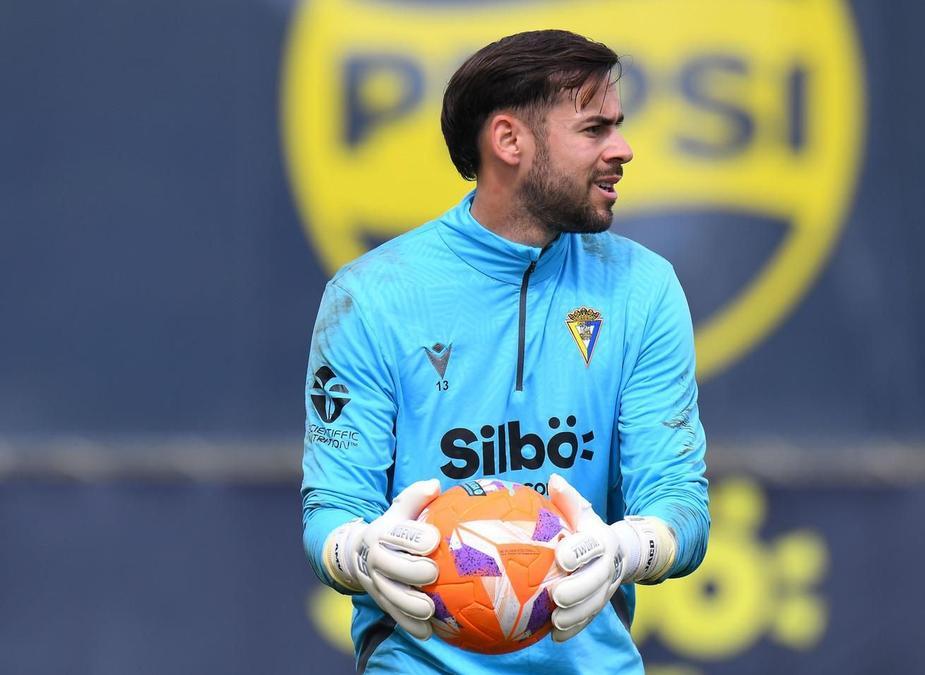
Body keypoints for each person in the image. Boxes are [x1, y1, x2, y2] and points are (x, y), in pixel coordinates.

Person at [301, 29, 709, 674]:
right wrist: (359, 551)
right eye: (595, 129)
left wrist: (628, 548)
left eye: (618, 127)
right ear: (509, 140)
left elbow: (679, 499)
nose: (623, 150)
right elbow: (332, 509)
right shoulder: (370, 295)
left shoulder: (644, 286)